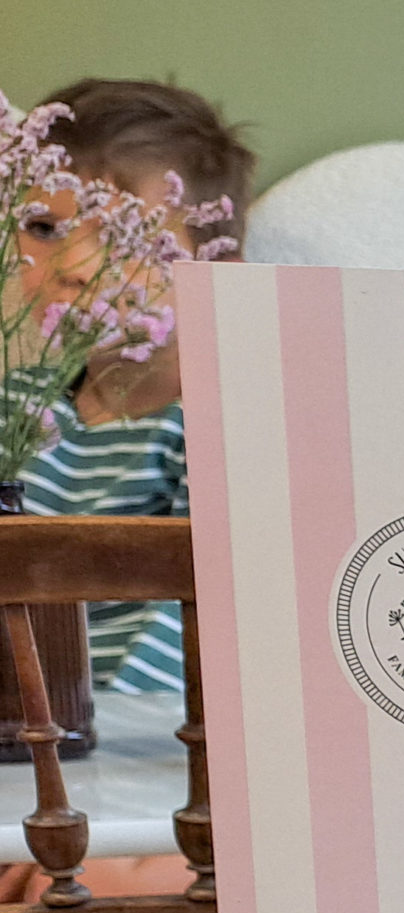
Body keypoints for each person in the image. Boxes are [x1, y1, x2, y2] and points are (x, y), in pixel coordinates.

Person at [13, 77, 255, 694]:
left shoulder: (219, 428)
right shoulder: (17, 411)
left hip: (145, 737)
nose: (74, 267)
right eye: (43, 229)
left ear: (216, 273)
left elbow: (207, 626)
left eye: (126, 237)